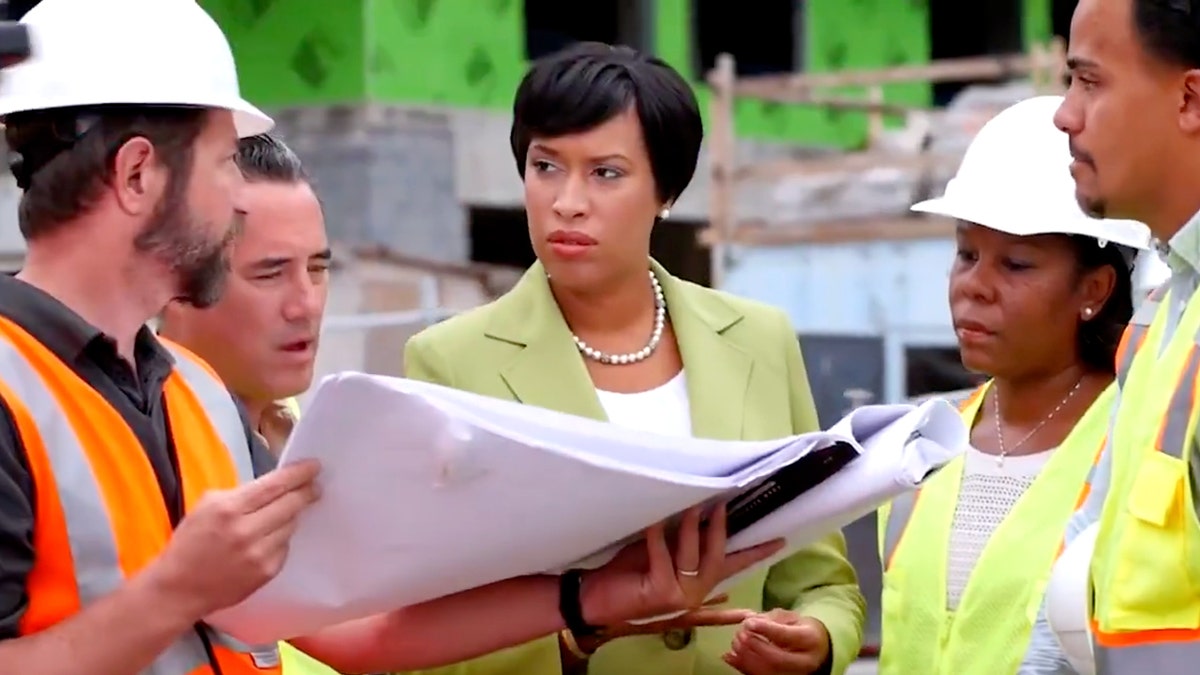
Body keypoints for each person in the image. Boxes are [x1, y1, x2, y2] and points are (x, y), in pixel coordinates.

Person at [0, 2, 786, 674]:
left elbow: (358, 629)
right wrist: (175, 590)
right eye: (220, 163)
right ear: (139, 175)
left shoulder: (196, 395)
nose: (240, 197)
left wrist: (597, 596)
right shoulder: (10, 388)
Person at [402, 42, 865, 675]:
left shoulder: (758, 339)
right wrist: (573, 638)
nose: (568, 200)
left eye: (606, 173)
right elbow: (420, 626)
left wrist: (817, 640)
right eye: (546, 166)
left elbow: (821, 580)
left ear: (666, 189)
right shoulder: (448, 364)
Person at [874, 95, 1154, 675]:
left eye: (1016, 264)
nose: (973, 286)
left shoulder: (1135, 444)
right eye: (966, 254)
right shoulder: (918, 444)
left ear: (1094, 289)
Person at [1051, 0, 1200, 671]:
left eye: (1089, 81)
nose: (1065, 114)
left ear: (1191, 99)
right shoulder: (1164, 296)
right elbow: (1095, 531)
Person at [156, 133, 335, 675]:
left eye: (319, 269)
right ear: (177, 281)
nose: (305, 303)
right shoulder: (143, 439)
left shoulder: (316, 429)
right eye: (270, 273)